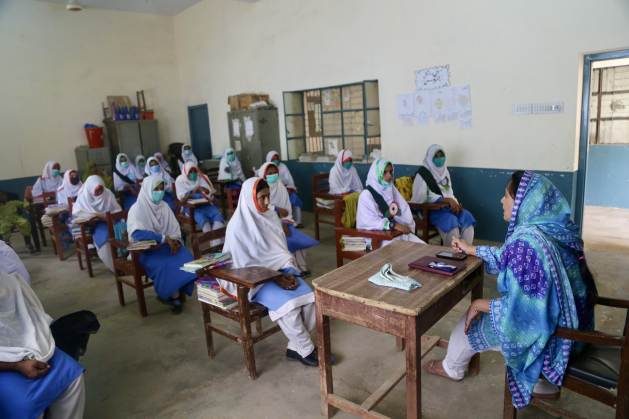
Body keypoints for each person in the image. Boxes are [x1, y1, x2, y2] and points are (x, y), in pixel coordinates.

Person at [424, 170, 594, 409]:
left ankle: (451, 369)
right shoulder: (555, 230)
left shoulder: (527, 244)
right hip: (574, 331)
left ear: (524, 201)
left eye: (506, 196)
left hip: (553, 342)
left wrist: (478, 304)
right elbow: (508, 256)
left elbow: (523, 315)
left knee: (464, 329)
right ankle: (544, 386)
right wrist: (471, 249)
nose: (501, 201)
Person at [220, 177, 323, 366]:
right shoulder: (237, 227)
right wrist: (275, 278)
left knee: (312, 300)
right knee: (290, 306)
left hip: (279, 273)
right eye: (262, 197)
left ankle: (295, 346)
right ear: (250, 198)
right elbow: (244, 267)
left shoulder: (270, 216)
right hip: (253, 282)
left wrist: (288, 270)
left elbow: (280, 251)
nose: (268, 202)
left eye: (268, 196)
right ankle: (307, 350)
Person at [0, 271, 85, 419]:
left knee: (72, 376)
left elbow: (23, 313)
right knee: (26, 406)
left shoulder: (6, 278)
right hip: (5, 364)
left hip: (21, 344)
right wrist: (16, 365)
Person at [127, 175, 197, 314]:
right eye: (156, 189)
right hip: (146, 251)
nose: (160, 192)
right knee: (165, 265)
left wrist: (176, 241)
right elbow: (137, 234)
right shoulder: (137, 209)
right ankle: (172, 296)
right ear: (147, 189)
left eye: (161, 188)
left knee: (187, 258)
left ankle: (176, 289)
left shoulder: (164, 206)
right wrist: (164, 238)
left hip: (166, 246)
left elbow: (174, 228)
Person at [258, 162, 318, 275]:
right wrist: (275, 209)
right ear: (264, 175)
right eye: (269, 173)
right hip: (268, 224)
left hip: (284, 222)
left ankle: (303, 268)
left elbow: (287, 210)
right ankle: (293, 269)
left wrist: (285, 222)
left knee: (296, 239)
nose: (273, 175)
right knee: (286, 240)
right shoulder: (261, 190)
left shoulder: (280, 187)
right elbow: (263, 211)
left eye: (275, 172)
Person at [411, 144, 476, 246]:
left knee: (466, 216)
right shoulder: (422, 174)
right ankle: (451, 254)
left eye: (441, 155)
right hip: (430, 210)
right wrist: (444, 200)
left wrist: (455, 203)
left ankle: (466, 251)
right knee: (450, 220)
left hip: (447, 207)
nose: (439, 158)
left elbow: (449, 192)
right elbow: (421, 196)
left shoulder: (445, 171)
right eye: (436, 156)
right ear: (430, 157)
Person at [356, 159, 424, 245]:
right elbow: (369, 222)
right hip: (374, 238)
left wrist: (406, 223)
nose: (389, 176)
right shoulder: (366, 195)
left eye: (391, 172)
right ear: (376, 174)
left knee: (421, 246)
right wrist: (393, 225)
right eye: (384, 172)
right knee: (404, 252)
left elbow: (403, 208)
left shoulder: (391, 189)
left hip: (392, 234)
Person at [71, 175, 122, 273]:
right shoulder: (84, 197)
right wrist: (94, 215)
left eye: (100, 190)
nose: (99, 193)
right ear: (90, 189)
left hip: (111, 221)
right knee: (105, 238)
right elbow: (76, 213)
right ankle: (116, 268)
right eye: (96, 191)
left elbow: (117, 210)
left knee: (126, 232)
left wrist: (106, 216)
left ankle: (125, 261)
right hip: (94, 226)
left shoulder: (108, 194)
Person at [175, 162, 225, 239]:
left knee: (217, 215)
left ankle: (216, 241)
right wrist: (193, 192)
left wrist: (204, 190)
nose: (193, 173)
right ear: (185, 172)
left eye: (195, 171)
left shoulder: (201, 177)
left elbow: (210, 194)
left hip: (205, 205)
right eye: (190, 172)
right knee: (204, 221)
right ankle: (211, 240)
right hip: (191, 208)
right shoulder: (180, 181)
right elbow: (182, 200)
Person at [265, 150, 303, 227]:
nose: (276, 160)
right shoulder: (266, 168)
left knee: (295, 199)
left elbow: (289, 180)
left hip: (285, 189)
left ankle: (298, 221)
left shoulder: (283, 166)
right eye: (273, 159)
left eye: (277, 158)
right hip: (272, 194)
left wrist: (289, 189)